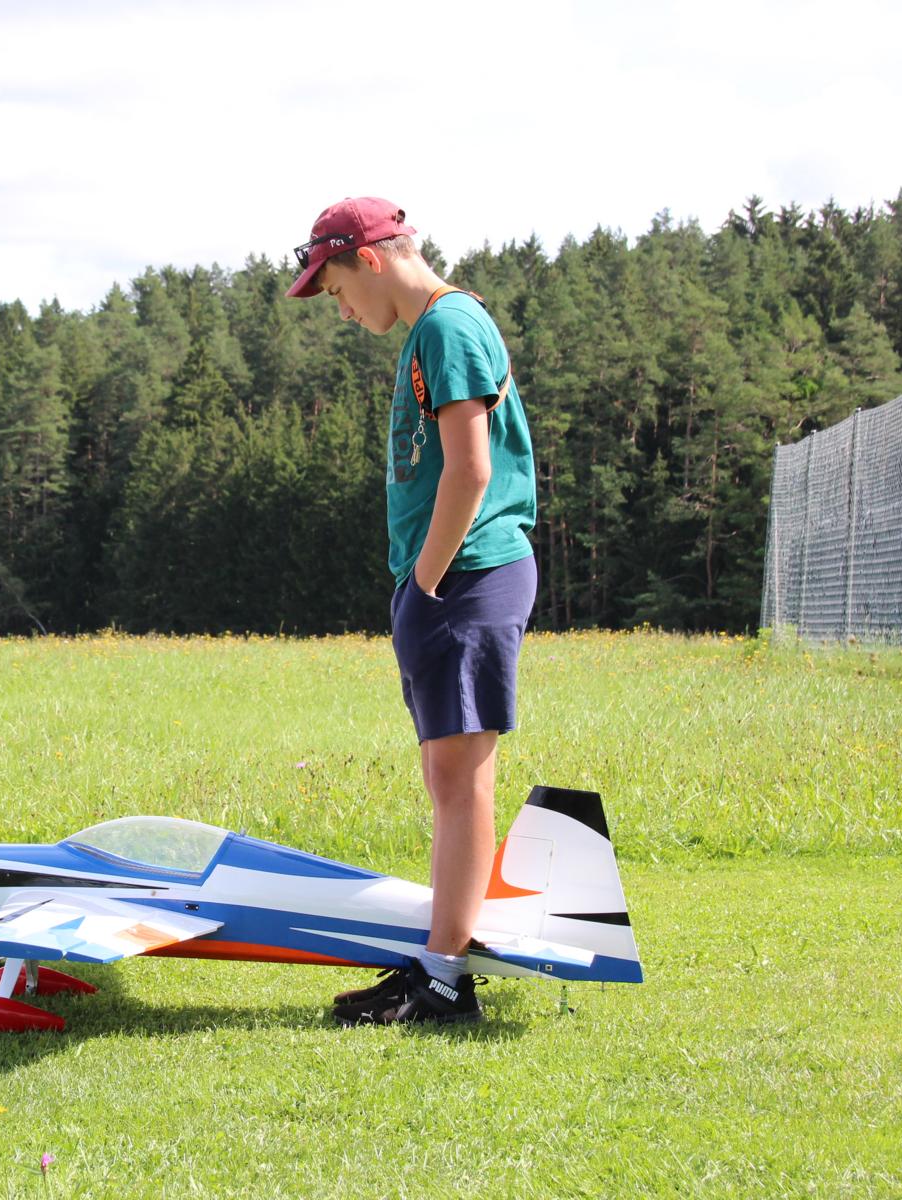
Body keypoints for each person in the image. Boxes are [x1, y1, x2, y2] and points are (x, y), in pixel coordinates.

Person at [287, 198, 538, 1025]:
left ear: (369, 258)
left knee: (460, 780)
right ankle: (437, 961)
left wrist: (425, 584)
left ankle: (445, 980)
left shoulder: (448, 326)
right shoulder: (432, 331)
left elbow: (470, 469)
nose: (342, 311)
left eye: (336, 291)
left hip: (466, 575)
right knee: (448, 779)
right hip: (447, 580)